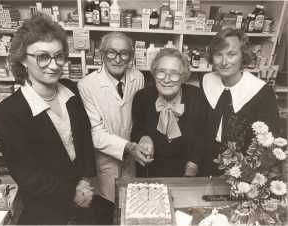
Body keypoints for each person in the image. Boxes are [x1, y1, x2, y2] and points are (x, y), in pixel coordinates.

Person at [0, 14, 112, 225]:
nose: (54, 65)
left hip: (84, 201)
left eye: (59, 56)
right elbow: (27, 174)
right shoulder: (9, 111)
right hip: (46, 210)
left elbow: (84, 141)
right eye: (43, 56)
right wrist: (72, 192)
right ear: (23, 58)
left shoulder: (71, 90)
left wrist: (85, 181)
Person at [78, 32, 152, 204]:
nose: (118, 59)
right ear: (102, 54)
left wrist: (139, 144)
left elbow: (140, 117)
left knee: (132, 201)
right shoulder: (86, 85)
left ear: (131, 56)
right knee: (108, 203)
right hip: (106, 157)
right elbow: (95, 132)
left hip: (133, 157)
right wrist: (128, 146)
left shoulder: (138, 77)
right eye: (111, 52)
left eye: (124, 53)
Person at [200, 28, 280, 176]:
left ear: (243, 56)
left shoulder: (261, 92)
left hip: (243, 169)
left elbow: (270, 141)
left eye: (231, 54)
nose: (224, 62)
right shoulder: (206, 82)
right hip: (204, 163)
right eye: (218, 54)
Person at [131, 48, 207, 177]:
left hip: (187, 171)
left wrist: (194, 163)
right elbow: (136, 130)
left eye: (174, 74)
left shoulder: (197, 97)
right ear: (154, 74)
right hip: (150, 171)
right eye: (161, 72)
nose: (166, 80)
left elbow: (202, 136)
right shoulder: (142, 97)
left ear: (183, 77)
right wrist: (143, 138)